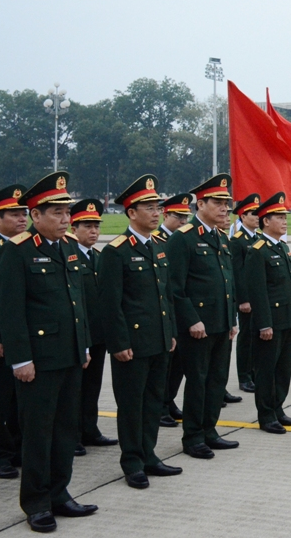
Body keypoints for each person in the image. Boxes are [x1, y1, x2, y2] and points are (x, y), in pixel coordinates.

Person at [0, 172, 98, 532]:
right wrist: (21, 359)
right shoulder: (18, 251)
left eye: (67, 212)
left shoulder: (68, 246)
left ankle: (59, 493)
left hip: (70, 355)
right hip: (38, 361)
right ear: (35, 215)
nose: (65, 219)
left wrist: (83, 344)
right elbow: (10, 311)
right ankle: (37, 503)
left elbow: (77, 302)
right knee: (38, 434)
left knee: (66, 430)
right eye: (57, 213)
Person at [99, 175, 180, 489]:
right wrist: (119, 343)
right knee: (132, 405)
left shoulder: (159, 246)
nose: (156, 213)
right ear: (131, 213)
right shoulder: (116, 251)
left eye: (158, 207)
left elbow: (166, 295)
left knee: (153, 401)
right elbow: (111, 304)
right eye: (149, 208)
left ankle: (149, 455)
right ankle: (132, 462)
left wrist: (170, 332)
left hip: (158, 339)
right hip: (132, 344)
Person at [167, 173, 239, 460]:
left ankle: (210, 430)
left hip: (221, 323)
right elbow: (174, 287)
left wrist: (232, 319)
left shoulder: (221, 237)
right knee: (197, 381)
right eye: (218, 203)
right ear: (201, 204)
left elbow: (227, 283)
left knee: (217, 380)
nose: (224, 208)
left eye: (226, 203)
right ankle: (193, 436)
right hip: (198, 327)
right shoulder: (183, 239)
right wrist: (191, 320)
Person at [244, 193, 291, 434]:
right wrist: (264, 324)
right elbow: (258, 291)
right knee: (267, 371)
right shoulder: (257, 250)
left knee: (283, 369)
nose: (284, 221)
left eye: (284, 217)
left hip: (287, 319)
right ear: (266, 221)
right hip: (270, 323)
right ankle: (266, 415)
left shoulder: (281, 247)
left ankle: (278, 408)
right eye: (279, 217)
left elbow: (289, 285)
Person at [67, 199, 118, 456]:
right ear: (73, 228)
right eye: (87, 226)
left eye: (96, 226)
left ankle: (90, 429)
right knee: (75, 389)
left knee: (93, 386)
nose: (94, 231)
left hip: (97, 334)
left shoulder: (97, 256)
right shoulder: (69, 256)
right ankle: (73, 435)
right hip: (78, 335)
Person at [0, 184, 27, 481]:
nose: (22, 219)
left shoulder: (27, 248)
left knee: (19, 400)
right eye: (14, 214)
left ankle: (16, 448)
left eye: (24, 213)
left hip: (23, 339)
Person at [155, 194, 192, 429]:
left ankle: (169, 401)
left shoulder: (183, 239)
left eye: (185, 217)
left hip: (179, 311)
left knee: (178, 363)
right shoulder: (157, 239)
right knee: (165, 365)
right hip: (165, 311)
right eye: (178, 217)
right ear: (165, 215)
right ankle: (159, 407)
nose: (183, 222)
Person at [231, 193, 261, 394]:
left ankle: (254, 372)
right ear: (242, 216)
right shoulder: (237, 240)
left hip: (258, 298)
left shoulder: (258, 238)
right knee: (246, 337)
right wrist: (243, 300)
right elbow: (238, 273)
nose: (257, 217)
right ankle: (244, 376)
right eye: (253, 213)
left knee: (257, 336)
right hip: (247, 300)